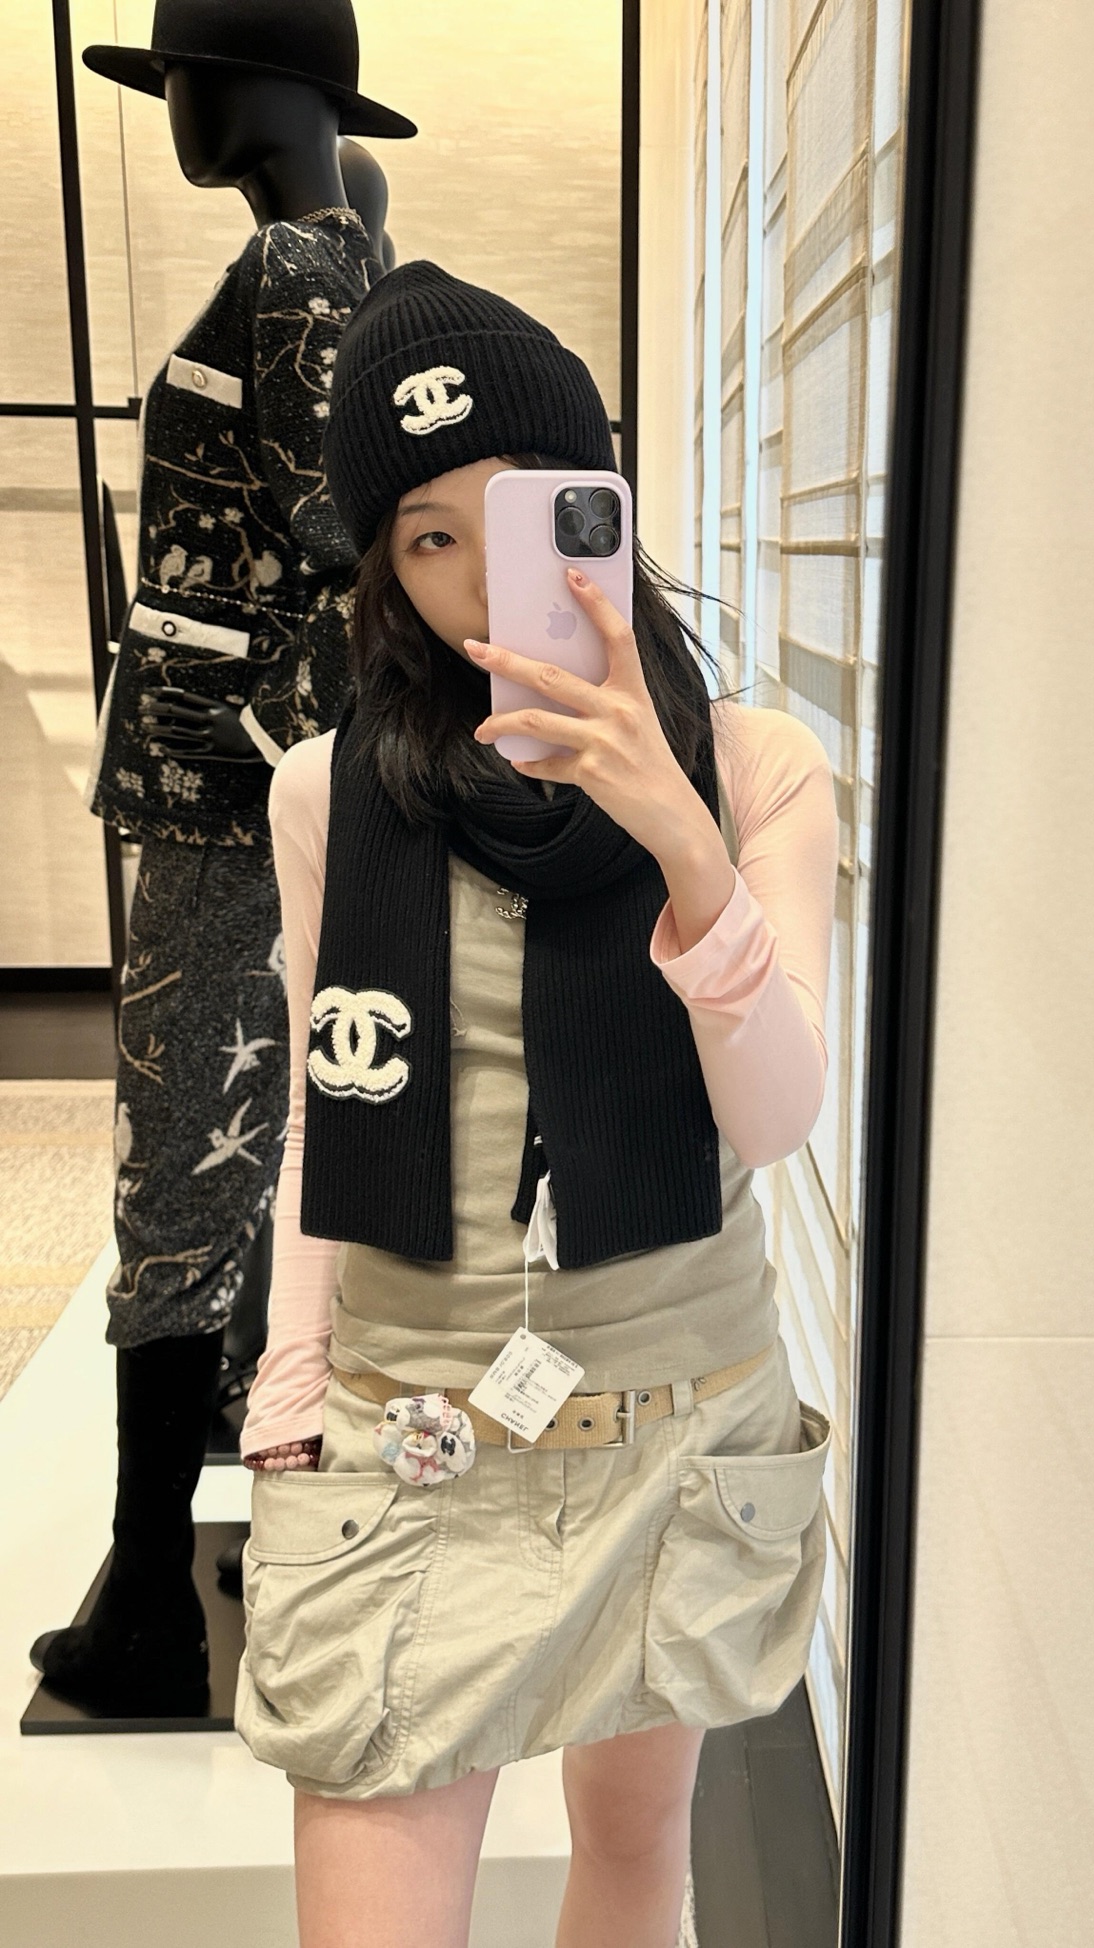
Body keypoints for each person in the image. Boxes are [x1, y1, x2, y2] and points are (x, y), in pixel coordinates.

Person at [236, 262, 837, 1948]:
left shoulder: (758, 766)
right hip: (413, 1430)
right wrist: (289, 1394)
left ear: (600, 507)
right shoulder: (327, 794)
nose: (480, 577)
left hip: (679, 1419)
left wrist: (684, 837)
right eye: (429, 535)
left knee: (637, 1860)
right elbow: (330, 1103)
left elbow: (776, 1120)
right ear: (385, 568)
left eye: (519, 514)